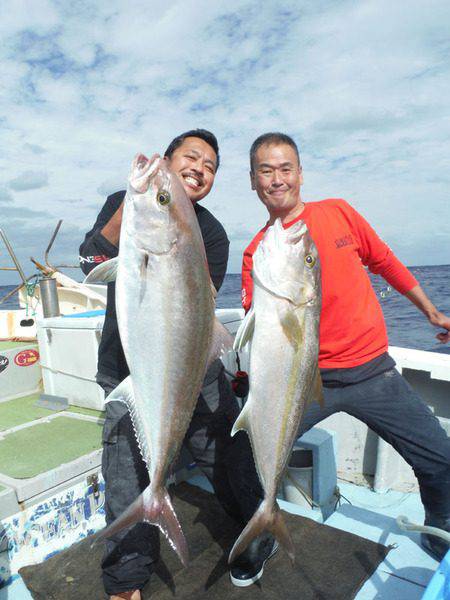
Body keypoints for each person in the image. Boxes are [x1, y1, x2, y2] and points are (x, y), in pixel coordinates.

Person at [242, 132, 450, 563]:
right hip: (304, 383)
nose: (277, 179)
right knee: (244, 457)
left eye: (285, 169)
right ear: (253, 181)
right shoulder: (255, 254)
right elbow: (258, 330)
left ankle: (441, 525)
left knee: (440, 457)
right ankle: (262, 525)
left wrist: (430, 311)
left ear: (300, 174)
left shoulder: (338, 212)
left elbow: (385, 261)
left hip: (373, 371)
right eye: (266, 170)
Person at [79, 130, 268, 599]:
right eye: (191, 157)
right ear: (169, 159)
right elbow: (90, 259)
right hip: (127, 370)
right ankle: (126, 581)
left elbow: (199, 312)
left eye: (210, 166)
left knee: (230, 458)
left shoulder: (213, 233)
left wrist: (159, 200)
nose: (200, 168)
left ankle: (254, 537)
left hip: (193, 371)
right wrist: (142, 196)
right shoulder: (123, 204)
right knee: (126, 475)